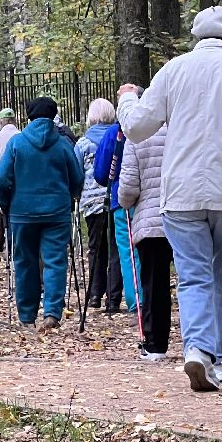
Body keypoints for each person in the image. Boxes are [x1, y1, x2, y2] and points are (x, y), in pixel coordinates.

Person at [117, 5, 222, 392]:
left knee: (193, 276)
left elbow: (136, 128)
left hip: (182, 192)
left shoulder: (174, 70)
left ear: (197, 36)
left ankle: (197, 350)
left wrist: (127, 100)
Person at [0, 96, 85, 331]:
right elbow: (77, 178)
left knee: (25, 262)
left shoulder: (17, 143)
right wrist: (70, 196)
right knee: (55, 261)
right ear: (53, 116)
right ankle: (52, 312)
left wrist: (5, 202)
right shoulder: (63, 144)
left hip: (22, 213)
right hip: (57, 212)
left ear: (28, 116)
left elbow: (1, 177)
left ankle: (26, 315)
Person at [116, 94, 172, 360]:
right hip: (185, 213)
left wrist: (124, 201)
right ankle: (201, 345)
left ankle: (155, 343)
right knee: (195, 279)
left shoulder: (136, 137)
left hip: (150, 221)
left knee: (154, 282)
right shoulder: (178, 128)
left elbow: (128, 186)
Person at [75, 98, 124, 312]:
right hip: (115, 198)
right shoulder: (119, 137)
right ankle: (113, 298)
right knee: (116, 247)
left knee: (96, 248)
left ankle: (95, 293)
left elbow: (77, 173)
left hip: (92, 201)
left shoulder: (83, 143)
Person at [93, 122, 139, 313]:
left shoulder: (117, 131)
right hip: (158, 198)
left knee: (129, 251)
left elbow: (102, 172)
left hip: (124, 198)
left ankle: (136, 300)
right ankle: (154, 297)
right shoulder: (162, 124)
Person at [0, 108, 21, 253]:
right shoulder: (21, 136)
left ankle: (4, 248)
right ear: (14, 120)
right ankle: (15, 247)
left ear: (0, 121)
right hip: (20, 184)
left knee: (2, 216)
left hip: (1, 184)